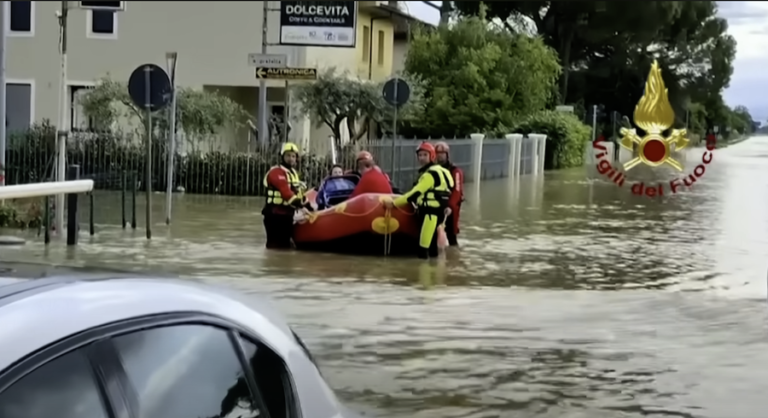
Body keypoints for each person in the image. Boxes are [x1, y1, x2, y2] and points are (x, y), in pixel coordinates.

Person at [383, 142, 454, 259]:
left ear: (431, 156)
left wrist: (394, 203)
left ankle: (424, 275)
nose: (421, 158)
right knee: (433, 248)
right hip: (441, 213)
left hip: (430, 212)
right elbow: (450, 188)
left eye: (425, 155)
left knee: (423, 248)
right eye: (420, 155)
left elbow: (415, 193)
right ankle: (434, 273)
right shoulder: (444, 171)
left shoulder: (429, 174)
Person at [262, 142, 310, 249]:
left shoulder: (293, 173)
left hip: (287, 215)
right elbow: (286, 193)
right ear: (282, 156)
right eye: (288, 155)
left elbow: (297, 192)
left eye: (293, 156)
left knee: (285, 246)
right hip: (274, 215)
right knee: (274, 247)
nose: (291, 158)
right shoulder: (276, 172)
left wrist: (309, 206)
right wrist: (302, 207)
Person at [435, 141, 464, 246]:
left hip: (450, 206)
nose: (439, 156)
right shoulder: (433, 169)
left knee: (451, 234)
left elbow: (457, 190)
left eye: (442, 153)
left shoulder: (455, 171)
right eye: (437, 153)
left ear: (447, 155)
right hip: (436, 204)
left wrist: (450, 206)